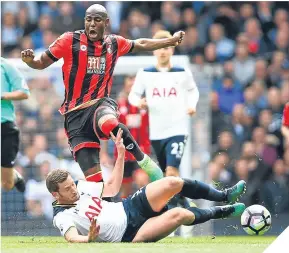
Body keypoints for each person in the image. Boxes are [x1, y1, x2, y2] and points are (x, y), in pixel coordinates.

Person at [21, 4, 186, 184]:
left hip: (100, 104)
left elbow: (141, 43)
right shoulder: (69, 40)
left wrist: (169, 42)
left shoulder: (114, 43)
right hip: (75, 117)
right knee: (95, 184)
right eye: (88, 20)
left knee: (109, 121)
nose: (92, 24)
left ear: (106, 23)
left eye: (97, 20)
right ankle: (106, 206)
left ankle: (145, 162)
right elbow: (40, 63)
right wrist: (30, 61)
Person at [47, 130, 246, 243]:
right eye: (67, 189)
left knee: (173, 182)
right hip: (129, 234)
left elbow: (113, 188)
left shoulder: (80, 187)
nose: (73, 189)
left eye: (72, 184)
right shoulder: (62, 216)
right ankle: (222, 211)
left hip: (129, 206)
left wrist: (121, 153)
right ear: (56, 194)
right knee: (180, 214)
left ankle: (224, 195)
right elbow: (71, 237)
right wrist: (88, 239)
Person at [128, 30, 199, 207]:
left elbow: (193, 91)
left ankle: (177, 212)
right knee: (167, 178)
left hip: (178, 129)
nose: (163, 51)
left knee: (171, 171)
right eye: (160, 47)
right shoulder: (145, 73)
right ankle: (184, 203)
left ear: (172, 50)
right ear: (154, 50)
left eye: (167, 47)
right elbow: (132, 95)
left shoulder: (182, 72)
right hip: (157, 133)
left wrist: (192, 105)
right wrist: (139, 102)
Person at [1, 57, 30, 192]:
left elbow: (24, 93)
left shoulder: (6, 66)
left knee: (7, 184)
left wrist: (2, 96)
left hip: (5, 127)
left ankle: (15, 176)